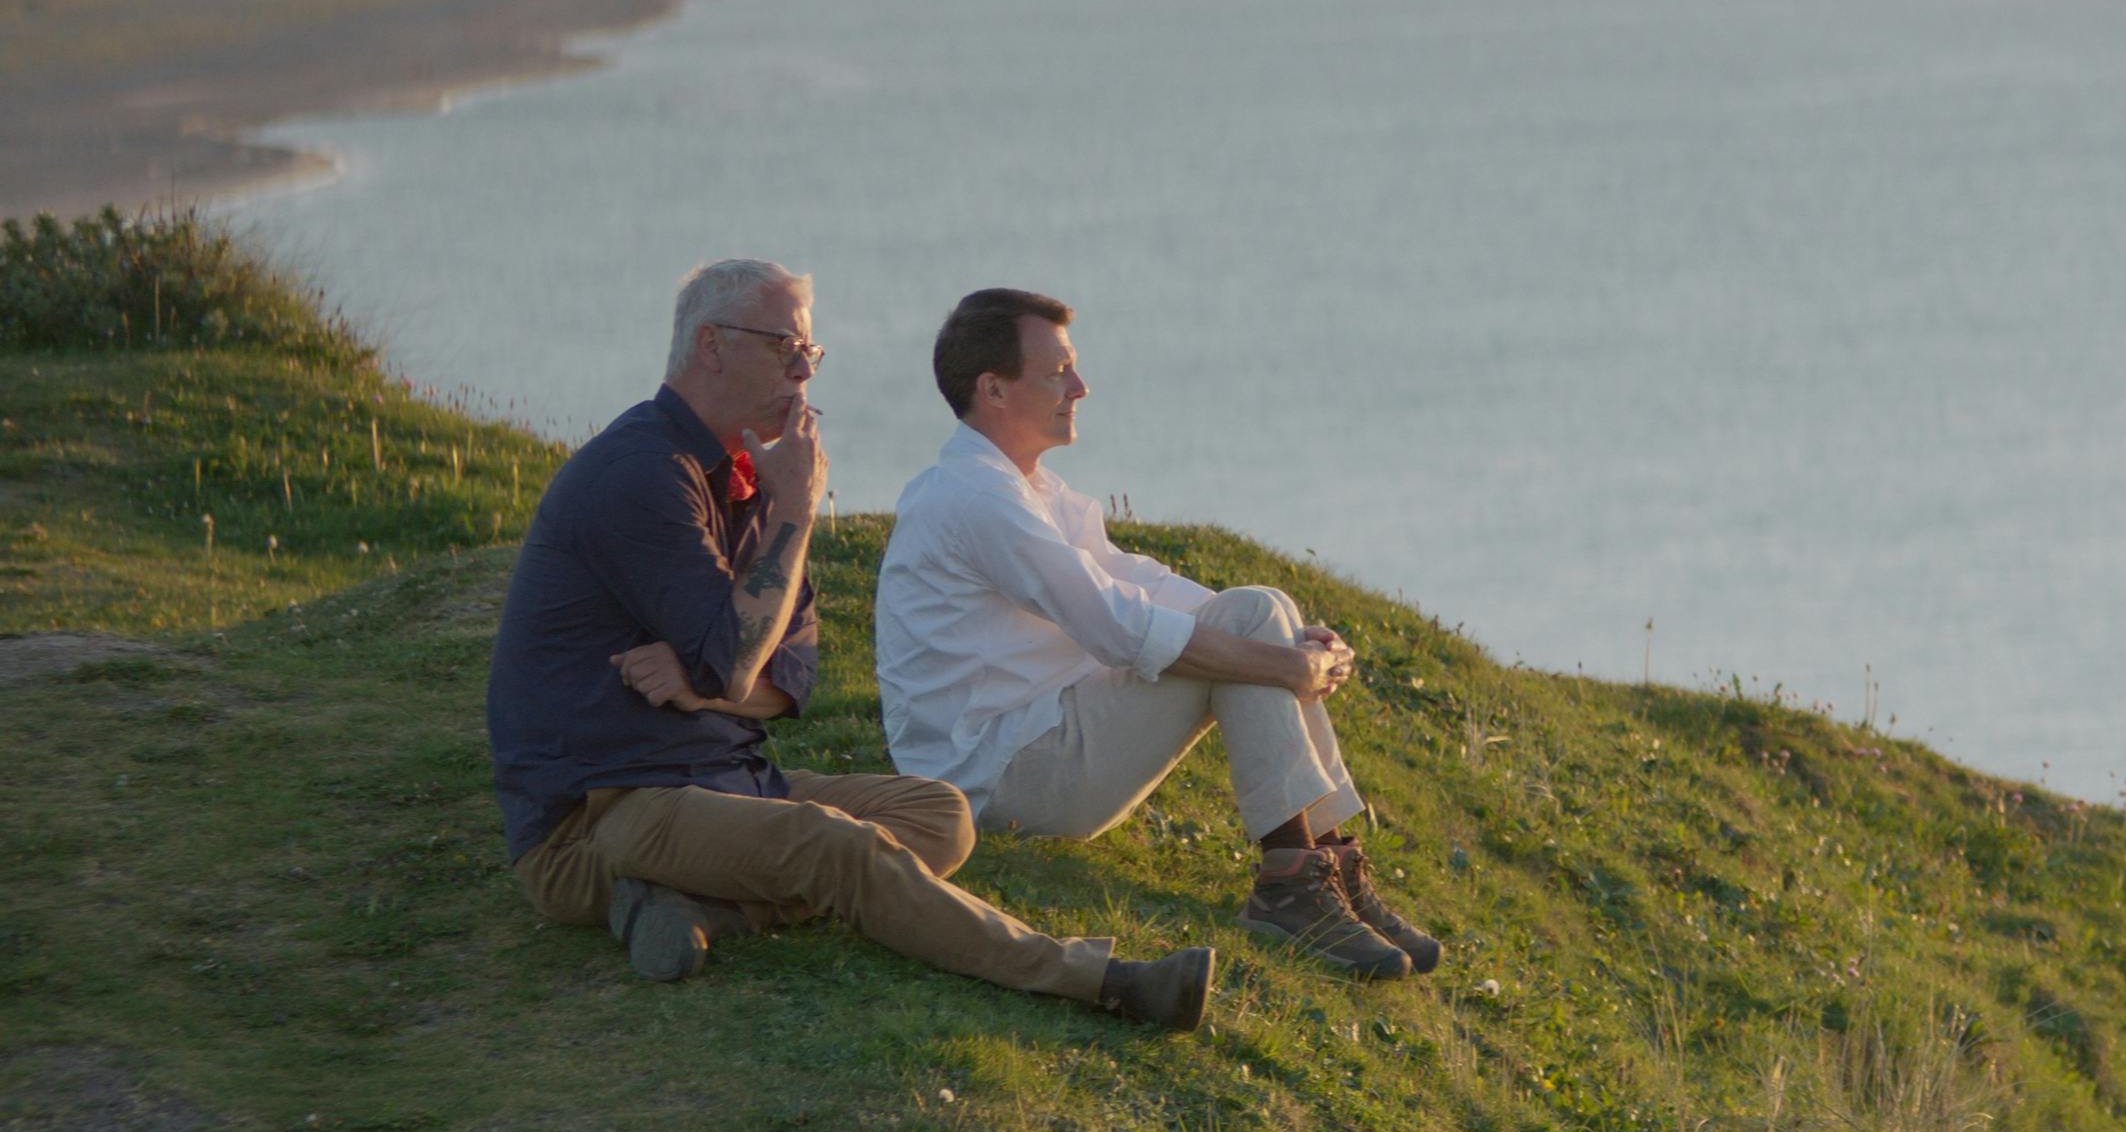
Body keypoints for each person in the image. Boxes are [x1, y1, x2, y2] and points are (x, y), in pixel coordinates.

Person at [484, 259, 1213, 1027]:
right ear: (711, 347)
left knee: (940, 817)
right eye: (784, 347)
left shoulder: (753, 477)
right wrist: (793, 514)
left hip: (725, 781)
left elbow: (786, 681)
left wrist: (705, 682)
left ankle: (694, 908)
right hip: (602, 815)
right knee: (839, 847)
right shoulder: (642, 473)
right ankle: (1100, 980)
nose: (804, 372)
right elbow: (738, 665)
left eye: (812, 353)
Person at [876, 288, 1441, 980]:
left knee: (1259, 608)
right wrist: (1276, 661)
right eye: (1057, 372)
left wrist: (1283, 642)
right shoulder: (975, 499)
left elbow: (1129, 578)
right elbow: (1116, 626)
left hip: (1041, 738)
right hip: (999, 777)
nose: (1079, 387)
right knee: (1249, 625)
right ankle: (1294, 887)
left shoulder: (1025, 488)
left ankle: (1324, 871)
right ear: (992, 389)